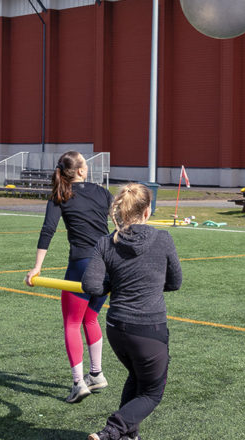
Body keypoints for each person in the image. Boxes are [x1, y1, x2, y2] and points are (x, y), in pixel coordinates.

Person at [81, 183, 182, 440]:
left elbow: (91, 285)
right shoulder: (163, 239)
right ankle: (113, 430)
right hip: (149, 330)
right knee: (153, 391)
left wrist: (114, 283)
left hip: (117, 328)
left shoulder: (105, 242)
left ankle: (127, 435)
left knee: (137, 378)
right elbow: (175, 282)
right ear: (147, 211)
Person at [24, 151, 113, 403]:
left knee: (72, 323)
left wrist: (36, 267)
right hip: (106, 266)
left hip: (82, 265)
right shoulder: (102, 192)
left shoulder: (60, 195)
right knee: (91, 317)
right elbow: (120, 224)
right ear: (82, 171)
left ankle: (78, 383)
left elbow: (47, 231)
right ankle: (96, 374)